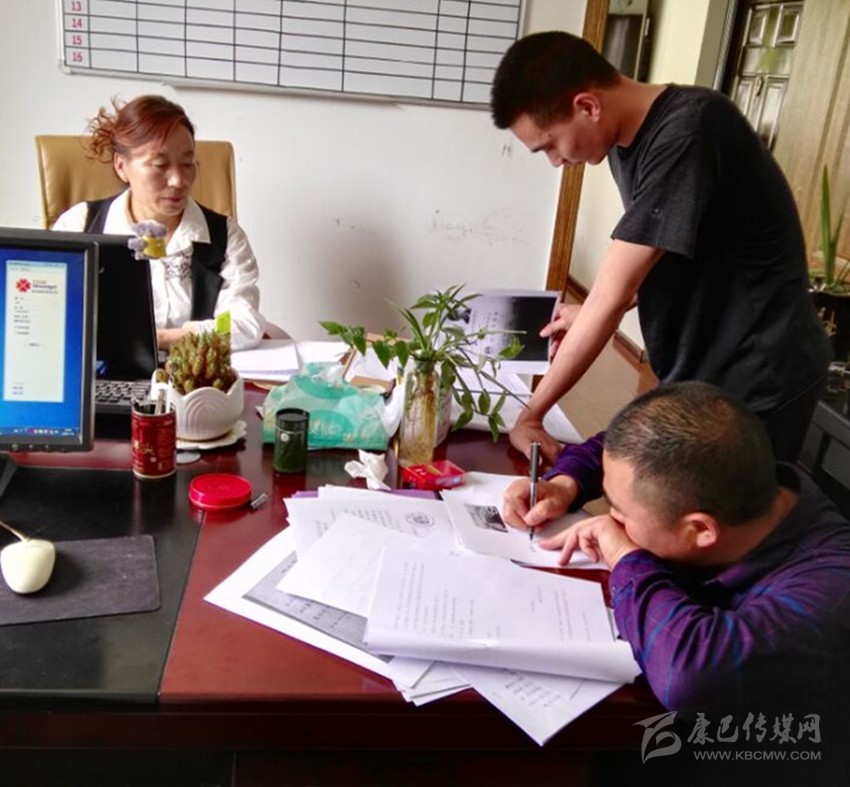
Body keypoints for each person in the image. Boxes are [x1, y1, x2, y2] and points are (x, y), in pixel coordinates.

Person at [490, 31, 832, 465]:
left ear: (588, 106)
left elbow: (614, 292)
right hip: (705, 362)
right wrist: (591, 309)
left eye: (550, 145)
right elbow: (661, 251)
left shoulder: (690, 130)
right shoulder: (623, 143)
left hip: (760, 368)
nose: (556, 161)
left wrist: (531, 415)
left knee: (718, 504)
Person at [502, 382, 850, 735]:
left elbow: (689, 677)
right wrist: (564, 484)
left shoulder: (830, 590)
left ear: (700, 530)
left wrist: (623, 553)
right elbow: (624, 449)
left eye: (620, 512)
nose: (611, 520)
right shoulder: (732, 470)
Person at [53, 94, 266, 351]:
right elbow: (53, 314)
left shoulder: (225, 235)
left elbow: (243, 324)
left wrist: (161, 339)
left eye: (187, 163)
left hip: (193, 373)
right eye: (160, 164)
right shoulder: (80, 225)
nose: (178, 180)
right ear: (121, 166)